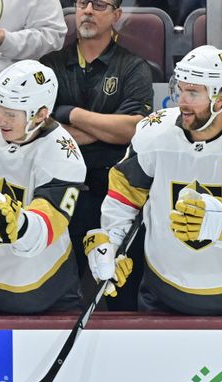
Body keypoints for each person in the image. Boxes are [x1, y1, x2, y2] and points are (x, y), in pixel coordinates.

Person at [85, 45, 222, 314]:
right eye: (180, 89)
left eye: (193, 93)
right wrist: (112, 244)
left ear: (221, 98)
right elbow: (124, 199)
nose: (182, 101)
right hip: (162, 295)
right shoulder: (153, 133)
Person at [0, 59, 87, 313]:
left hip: (42, 288)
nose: (0, 119)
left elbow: (44, 230)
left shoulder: (64, 155)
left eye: (10, 114)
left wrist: (17, 223)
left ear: (41, 114)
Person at [40, 0, 153, 310]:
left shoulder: (133, 67)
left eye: (100, 5)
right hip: (59, 191)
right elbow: (39, 128)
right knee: (56, 294)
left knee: (123, 290)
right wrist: (106, 128)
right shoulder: (50, 66)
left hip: (116, 193)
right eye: (81, 3)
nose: (87, 10)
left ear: (116, 15)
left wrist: (70, 113)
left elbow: (135, 129)